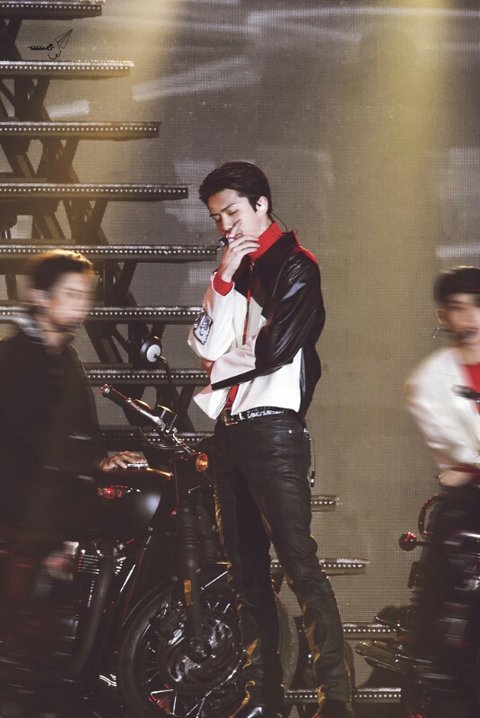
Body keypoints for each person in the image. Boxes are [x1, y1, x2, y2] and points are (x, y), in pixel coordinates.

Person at [188, 162, 351, 718]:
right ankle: (263, 698)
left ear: (262, 204)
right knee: (245, 573)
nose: (226, 226)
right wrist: (221, 278)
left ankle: (336, 699)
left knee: (299, 563)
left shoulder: (297, 264)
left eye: (232, 212)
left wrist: (216, 371)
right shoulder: (237, 268)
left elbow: (275, 348)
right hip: (230, 430)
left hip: (274, 429)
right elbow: (203, 344)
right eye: (217, 218)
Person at [0, 250, 144, 595]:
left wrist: (102, 460)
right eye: (71, 294)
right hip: (17, 513)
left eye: (85, 296)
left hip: (46, 509)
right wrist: (90, 463)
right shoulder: (11, 356)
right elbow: (28, 436)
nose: (81, 305)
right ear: (40, 297)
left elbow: (83, 426)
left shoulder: (66, 356)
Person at [405, 266, 480, 714]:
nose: (469, 317)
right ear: (443, 315)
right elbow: (458, 458)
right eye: (458, 308)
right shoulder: (429, 381)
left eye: (477, 306)